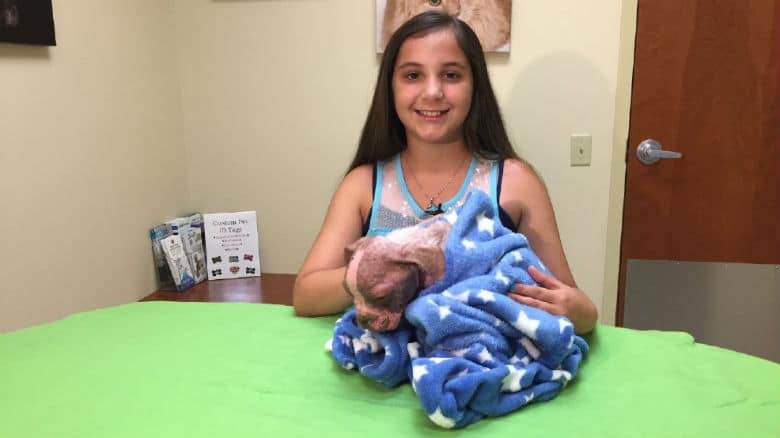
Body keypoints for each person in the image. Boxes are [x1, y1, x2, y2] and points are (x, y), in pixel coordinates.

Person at [293, 11, 597, 334]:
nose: (433, 92)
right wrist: (373, 270)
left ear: (475, 86)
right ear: (390, 87)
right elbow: (305, 295)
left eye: (451, 75)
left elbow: (578, 307)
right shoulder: (362, 186)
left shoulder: (518, 184)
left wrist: (579, 311)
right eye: (412, 75)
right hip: (381, 371)